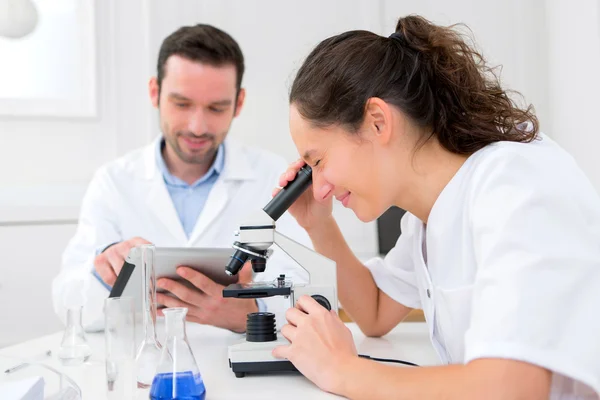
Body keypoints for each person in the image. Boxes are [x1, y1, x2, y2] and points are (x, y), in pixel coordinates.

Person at [271, 15, 600, 399]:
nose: (319, 187)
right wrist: (318, 224)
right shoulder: (429, 214)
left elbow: (513, 389)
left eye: (319, 161)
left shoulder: (514, 184)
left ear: (377, 122)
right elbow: (375, 312)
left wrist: (344, 371)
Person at [52, 24, 309, 333]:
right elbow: (69, 305)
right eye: (182, 104)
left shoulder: (271, 175)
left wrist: (251, 312)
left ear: (238, 103)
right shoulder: (114, 182)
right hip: (143, 368)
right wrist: (101, 273)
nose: (197, 126)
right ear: (154, 92)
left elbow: (307, 288)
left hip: (239, 368)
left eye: (216, 107)